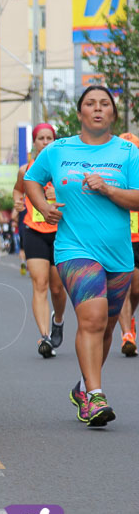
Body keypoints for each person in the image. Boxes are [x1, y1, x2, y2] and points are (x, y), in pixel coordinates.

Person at [25, 85, 139, 428]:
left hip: (118, 254)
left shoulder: (127, 152)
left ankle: (84, 388)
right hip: (74, 248)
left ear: (114, 114)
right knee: (92, 318)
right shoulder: (59, 150)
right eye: (91, 104)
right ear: (80, 113)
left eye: (105, 104)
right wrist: (43, 207)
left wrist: (108, 188)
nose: (98, 109)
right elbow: (31, 179)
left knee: (104, 327)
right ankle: (97, 395)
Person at [13, 122, 66, 358]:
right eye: (40, 138)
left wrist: (60, 194)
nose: (45, 142)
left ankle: (58, 320)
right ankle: (44, 336)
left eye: (49, 138)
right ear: (34, 143)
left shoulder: (63, 169)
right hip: (33, 231)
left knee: (57, 288)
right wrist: (17, 201)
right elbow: (18, 190)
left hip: (59, 232)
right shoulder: (26, 170)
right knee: (40, 284)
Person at [115, 132, 139, 357]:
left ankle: (129, 320)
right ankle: (126, 335)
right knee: (125, 288)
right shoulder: (113, 174)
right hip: (122, 238)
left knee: (137, 289)